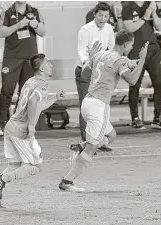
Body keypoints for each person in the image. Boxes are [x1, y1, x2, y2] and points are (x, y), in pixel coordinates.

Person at [59, 29, 149, 192]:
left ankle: (81, 146)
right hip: (98, 106)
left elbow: (85, 72)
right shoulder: (119, 60)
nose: (131, 48)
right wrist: (142, 60)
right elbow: (133, 80)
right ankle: (67, 181)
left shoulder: (101, 54)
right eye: (131, 46)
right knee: (92, 148)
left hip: (87, 102)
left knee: (111, 135)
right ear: (126, 44)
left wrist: (129, 62)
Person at [0, 53, 66, 209]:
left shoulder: (30, 81)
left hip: (11, 126)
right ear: (42, 68)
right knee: (35, 166)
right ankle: (2, 178)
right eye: (48, 62)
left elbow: (37, 104)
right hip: (21, 129)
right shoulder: (42, 84)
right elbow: (33, 101)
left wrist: (55, 97)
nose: (51, 65)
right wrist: (30, 126)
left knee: (15, 165)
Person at [0, 1, 46, 131]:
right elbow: (1, 33)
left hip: (30, 58)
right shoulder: (7, 12)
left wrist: (35, 25)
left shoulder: (35, 11)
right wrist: (18, 25)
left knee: (25, 92)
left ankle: (18, 122)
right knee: (7, 90)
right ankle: (2, 123)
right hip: (11, 58)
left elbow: (43, 31)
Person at [75, 2, 115, 151]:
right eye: (100, 15)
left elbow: (111, 48)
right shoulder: (85, 30)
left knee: (100, 106)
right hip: (85, 70)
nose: (103, 19)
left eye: (106, 16)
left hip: (100, 71)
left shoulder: (109, 28)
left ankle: (99, 141)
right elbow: (82, 53)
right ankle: (86, 144)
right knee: (85, 106)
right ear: (94, 15)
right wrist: (92, 58)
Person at [122, 1, 161, 129]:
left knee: (159, 83)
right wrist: (146, 15)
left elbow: (159, 27)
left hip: (153, 49)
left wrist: (153, 12)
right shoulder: (127, 6)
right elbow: (130, 28)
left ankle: (157, 118)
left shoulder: (150, 4)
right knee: (135, 84)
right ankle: (135, 118)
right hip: (136, 50)